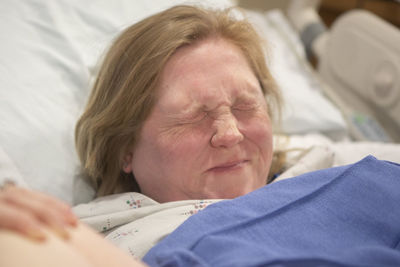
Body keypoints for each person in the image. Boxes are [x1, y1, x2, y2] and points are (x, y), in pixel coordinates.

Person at [0, 4, 282, 266]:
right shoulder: (67, 234)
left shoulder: (319, 165)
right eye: (193, 116)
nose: (230, 134)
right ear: (125, 148)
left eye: (246, 105)